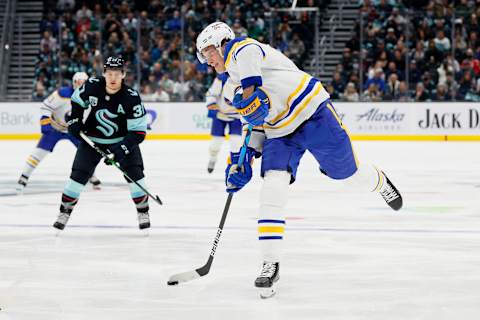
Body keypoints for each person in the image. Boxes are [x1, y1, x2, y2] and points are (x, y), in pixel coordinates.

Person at [196, 22, 403, 299]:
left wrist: (249, 98)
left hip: (312, 113)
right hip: (280, 134)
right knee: (272, 186)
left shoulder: (242, 49)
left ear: (221, 41)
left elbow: (250, 80)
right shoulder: (231, 85)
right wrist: (244, 159)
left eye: (208, 50)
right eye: (203, 55)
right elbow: (254, 125)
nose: (207, 59)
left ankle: (379, 181)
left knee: (348, 174)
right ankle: (270, 262)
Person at [53, 56, 150, 231]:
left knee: (136, 176)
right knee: (77, 177)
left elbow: (139, 132)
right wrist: (75, 120)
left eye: (117, 74)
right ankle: (64, 212)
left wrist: (120, 149)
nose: (113, 78)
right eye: (109, 73)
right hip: (92, 141)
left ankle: (143, 212)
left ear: (123, 75)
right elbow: (76, 101)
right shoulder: (91, 85)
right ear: (104, 73)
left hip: (121, 141)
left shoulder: (131, 97)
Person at [17, 72, 101, 192]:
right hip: (55, 128)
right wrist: (45, 121)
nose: (81, 85)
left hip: (74, 130)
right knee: (39, 152)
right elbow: (46, 106)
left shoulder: (91, 95)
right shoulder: (63, 93)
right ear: (74, 83)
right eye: (79, 82)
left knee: (87, 153)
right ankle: (24, 176)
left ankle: (91, 175)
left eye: (84, 82)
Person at [205, 74, 242, 173]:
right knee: (216, 142)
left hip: (237, 116)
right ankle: (213, 158)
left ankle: (234, 164)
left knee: (236, 142)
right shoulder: (222, 79)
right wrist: (211, 104)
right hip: (220, 115)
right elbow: (212, 93)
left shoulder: (244, 77)